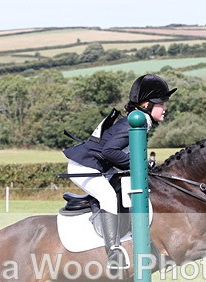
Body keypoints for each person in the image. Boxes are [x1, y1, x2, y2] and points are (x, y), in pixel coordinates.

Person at [63, 74, 176, 270]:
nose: (165, 107)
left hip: (100, 167)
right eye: (161, 103)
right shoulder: (130, 125)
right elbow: (110, 151)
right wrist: (139, 164)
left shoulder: (138, 122)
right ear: (147, 104)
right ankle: (113, 251)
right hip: (85, 166)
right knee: (108, 197)